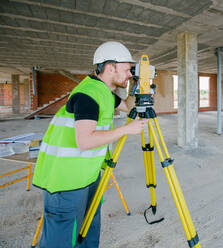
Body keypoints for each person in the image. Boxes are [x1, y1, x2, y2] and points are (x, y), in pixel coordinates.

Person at [32, 41, 146, 248]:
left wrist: (138, 86)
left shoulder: (104, 92)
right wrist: (125, 130)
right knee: (62, 241)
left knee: (88, 232)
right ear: (111, 67)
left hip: (87, 175)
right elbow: (84, 141)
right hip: (65, 180)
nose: (130, 73)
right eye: (127, 69)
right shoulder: (88, 95)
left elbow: (129, 107)